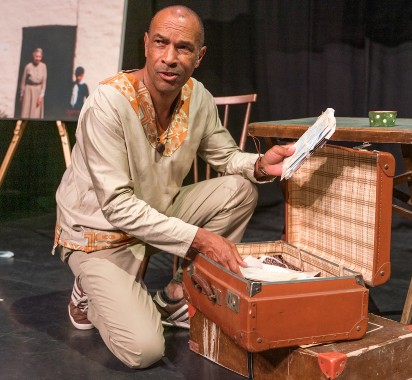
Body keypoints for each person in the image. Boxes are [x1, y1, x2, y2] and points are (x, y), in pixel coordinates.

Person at [54, 5, 295, 369]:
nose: (169, 58)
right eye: (161, 44)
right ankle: (87, 291)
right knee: (144, 350)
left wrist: (260, 165)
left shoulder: (196, 95)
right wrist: (200, 238)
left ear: (199, 56)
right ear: (147, 44)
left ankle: (177, 293)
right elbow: (117, 206)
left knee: (240, 190)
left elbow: (226, 157)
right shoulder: (107, 103)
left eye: (183, 48)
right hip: (98, 233)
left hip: (155, 212)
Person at [19, 47, 47, 119]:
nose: (37, 58)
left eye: (39, 57)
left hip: (38, 91)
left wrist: (41, 96)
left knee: (36, 113)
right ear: (33, 56)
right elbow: (23, 82)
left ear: (41, 57)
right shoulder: (28, 66)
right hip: (28, 91)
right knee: (26, 111)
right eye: (36, 56)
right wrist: (22, 94)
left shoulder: (43, 66)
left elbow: (44, 83)